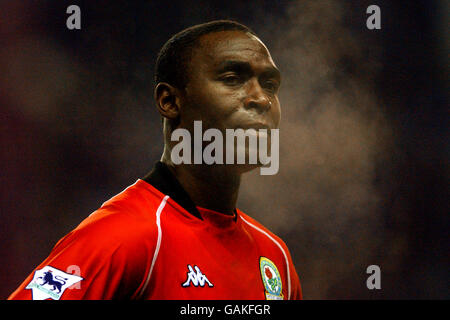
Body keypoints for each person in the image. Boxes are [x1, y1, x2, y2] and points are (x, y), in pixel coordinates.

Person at [9, 20, 302, 300]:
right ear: (169, 101)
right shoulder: (124, 237)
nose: (261, 98)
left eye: (270, 86)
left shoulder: (275, 258)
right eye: (232, 79)